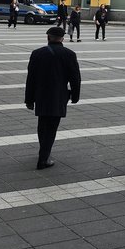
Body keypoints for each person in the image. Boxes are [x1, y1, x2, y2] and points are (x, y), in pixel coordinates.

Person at [24, 26, 81, 169]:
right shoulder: (69, 54)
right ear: (62, 38)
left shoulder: (37, 54)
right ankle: (43, 158)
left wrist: (29, 100)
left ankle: (43, 151)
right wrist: (75, 96)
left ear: (48, 37)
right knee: (52, 127)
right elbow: (75, 78)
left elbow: (31, 79)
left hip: (41, 95)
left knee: (42, 125)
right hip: (59, 96)